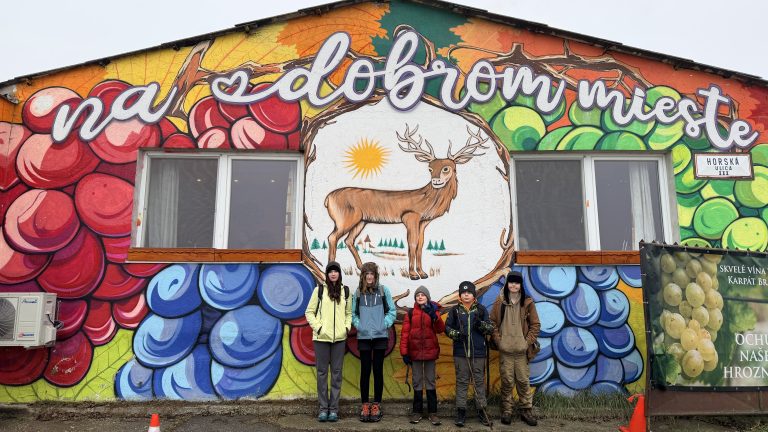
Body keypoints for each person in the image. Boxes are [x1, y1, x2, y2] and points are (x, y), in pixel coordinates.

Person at [490, 270, 541, 426]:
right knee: (507, 382)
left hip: (521, 352)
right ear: (507, 284)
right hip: (505, 351)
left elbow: (535, 325)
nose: (513, 285)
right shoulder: (499, 302)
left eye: (517, 282)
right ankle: (507, 411)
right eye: (511, 282)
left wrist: (527, 343)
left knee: (523, 382)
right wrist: (499, 342)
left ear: (520, 285)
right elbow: (492, 323)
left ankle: (526, 411)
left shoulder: (527, 302)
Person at [304, 261, 352, 423]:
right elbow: (309, 312)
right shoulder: (319, 291)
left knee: (337, 374)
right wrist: (318, 328)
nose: (333, 274)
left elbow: (349, 313)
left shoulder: (345, 291)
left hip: (339, 339)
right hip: (321, 339)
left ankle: (334, 409)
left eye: (336, 271)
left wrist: (346, 328)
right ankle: (323, 408)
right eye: (330, 271)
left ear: (339, 274)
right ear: (327, 274)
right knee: (322, 374)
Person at [445, 281, 494, 427]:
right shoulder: (454, 311)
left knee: (479, 382)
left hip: (478, 353)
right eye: (463, 292)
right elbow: (447, 328)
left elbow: (490, 328)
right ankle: (461, 412)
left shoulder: (481, 310)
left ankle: (481, 411)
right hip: (461, 353)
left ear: (474, 295)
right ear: (460, 295)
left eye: (469, 292)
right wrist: (456, 334)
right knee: (462, 382)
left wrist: (481, 325)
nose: (466, 294)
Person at [351, 261, 396, 422]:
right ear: (363, 276)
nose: (369, 277)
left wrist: (383, 324)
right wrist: (360, 325)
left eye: (372, 274)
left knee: (377, 371)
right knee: (365, 371)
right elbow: (353, 314)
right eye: (367, 274)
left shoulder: (384, 291)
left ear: (375, 276)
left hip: (380, 337)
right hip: (363, 337)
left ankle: (376, 405)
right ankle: (365, 405)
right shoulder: (357, 293)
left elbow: (392, 311)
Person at [400, 286, 445, 426]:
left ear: (427, 297)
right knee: (417, 381)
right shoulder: (411, 313)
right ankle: (417, 411)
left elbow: (440, 330)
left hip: (430, 351)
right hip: (415, 352)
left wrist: (434, 317)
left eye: (423, 295)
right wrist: (404, 352)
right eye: (417, 295)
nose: (420, 297)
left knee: (431, 381)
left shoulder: (434, 311)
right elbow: (405, 333)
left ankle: (433, 412)